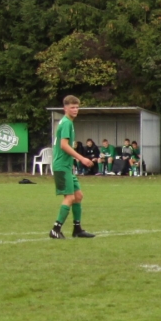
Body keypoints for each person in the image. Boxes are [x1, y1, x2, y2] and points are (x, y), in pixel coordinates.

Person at [50, 96, 97, 238]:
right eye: (72, 107)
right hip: (61, 166)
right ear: (65, 108)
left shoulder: (68, 122)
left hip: (66, 166)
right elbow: (63, 145)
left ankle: (77, 229)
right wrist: (81, 158)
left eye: (77, 107)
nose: (75, 110)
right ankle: (55, 230)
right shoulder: (66, 123)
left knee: (78, 196)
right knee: (70, 198)